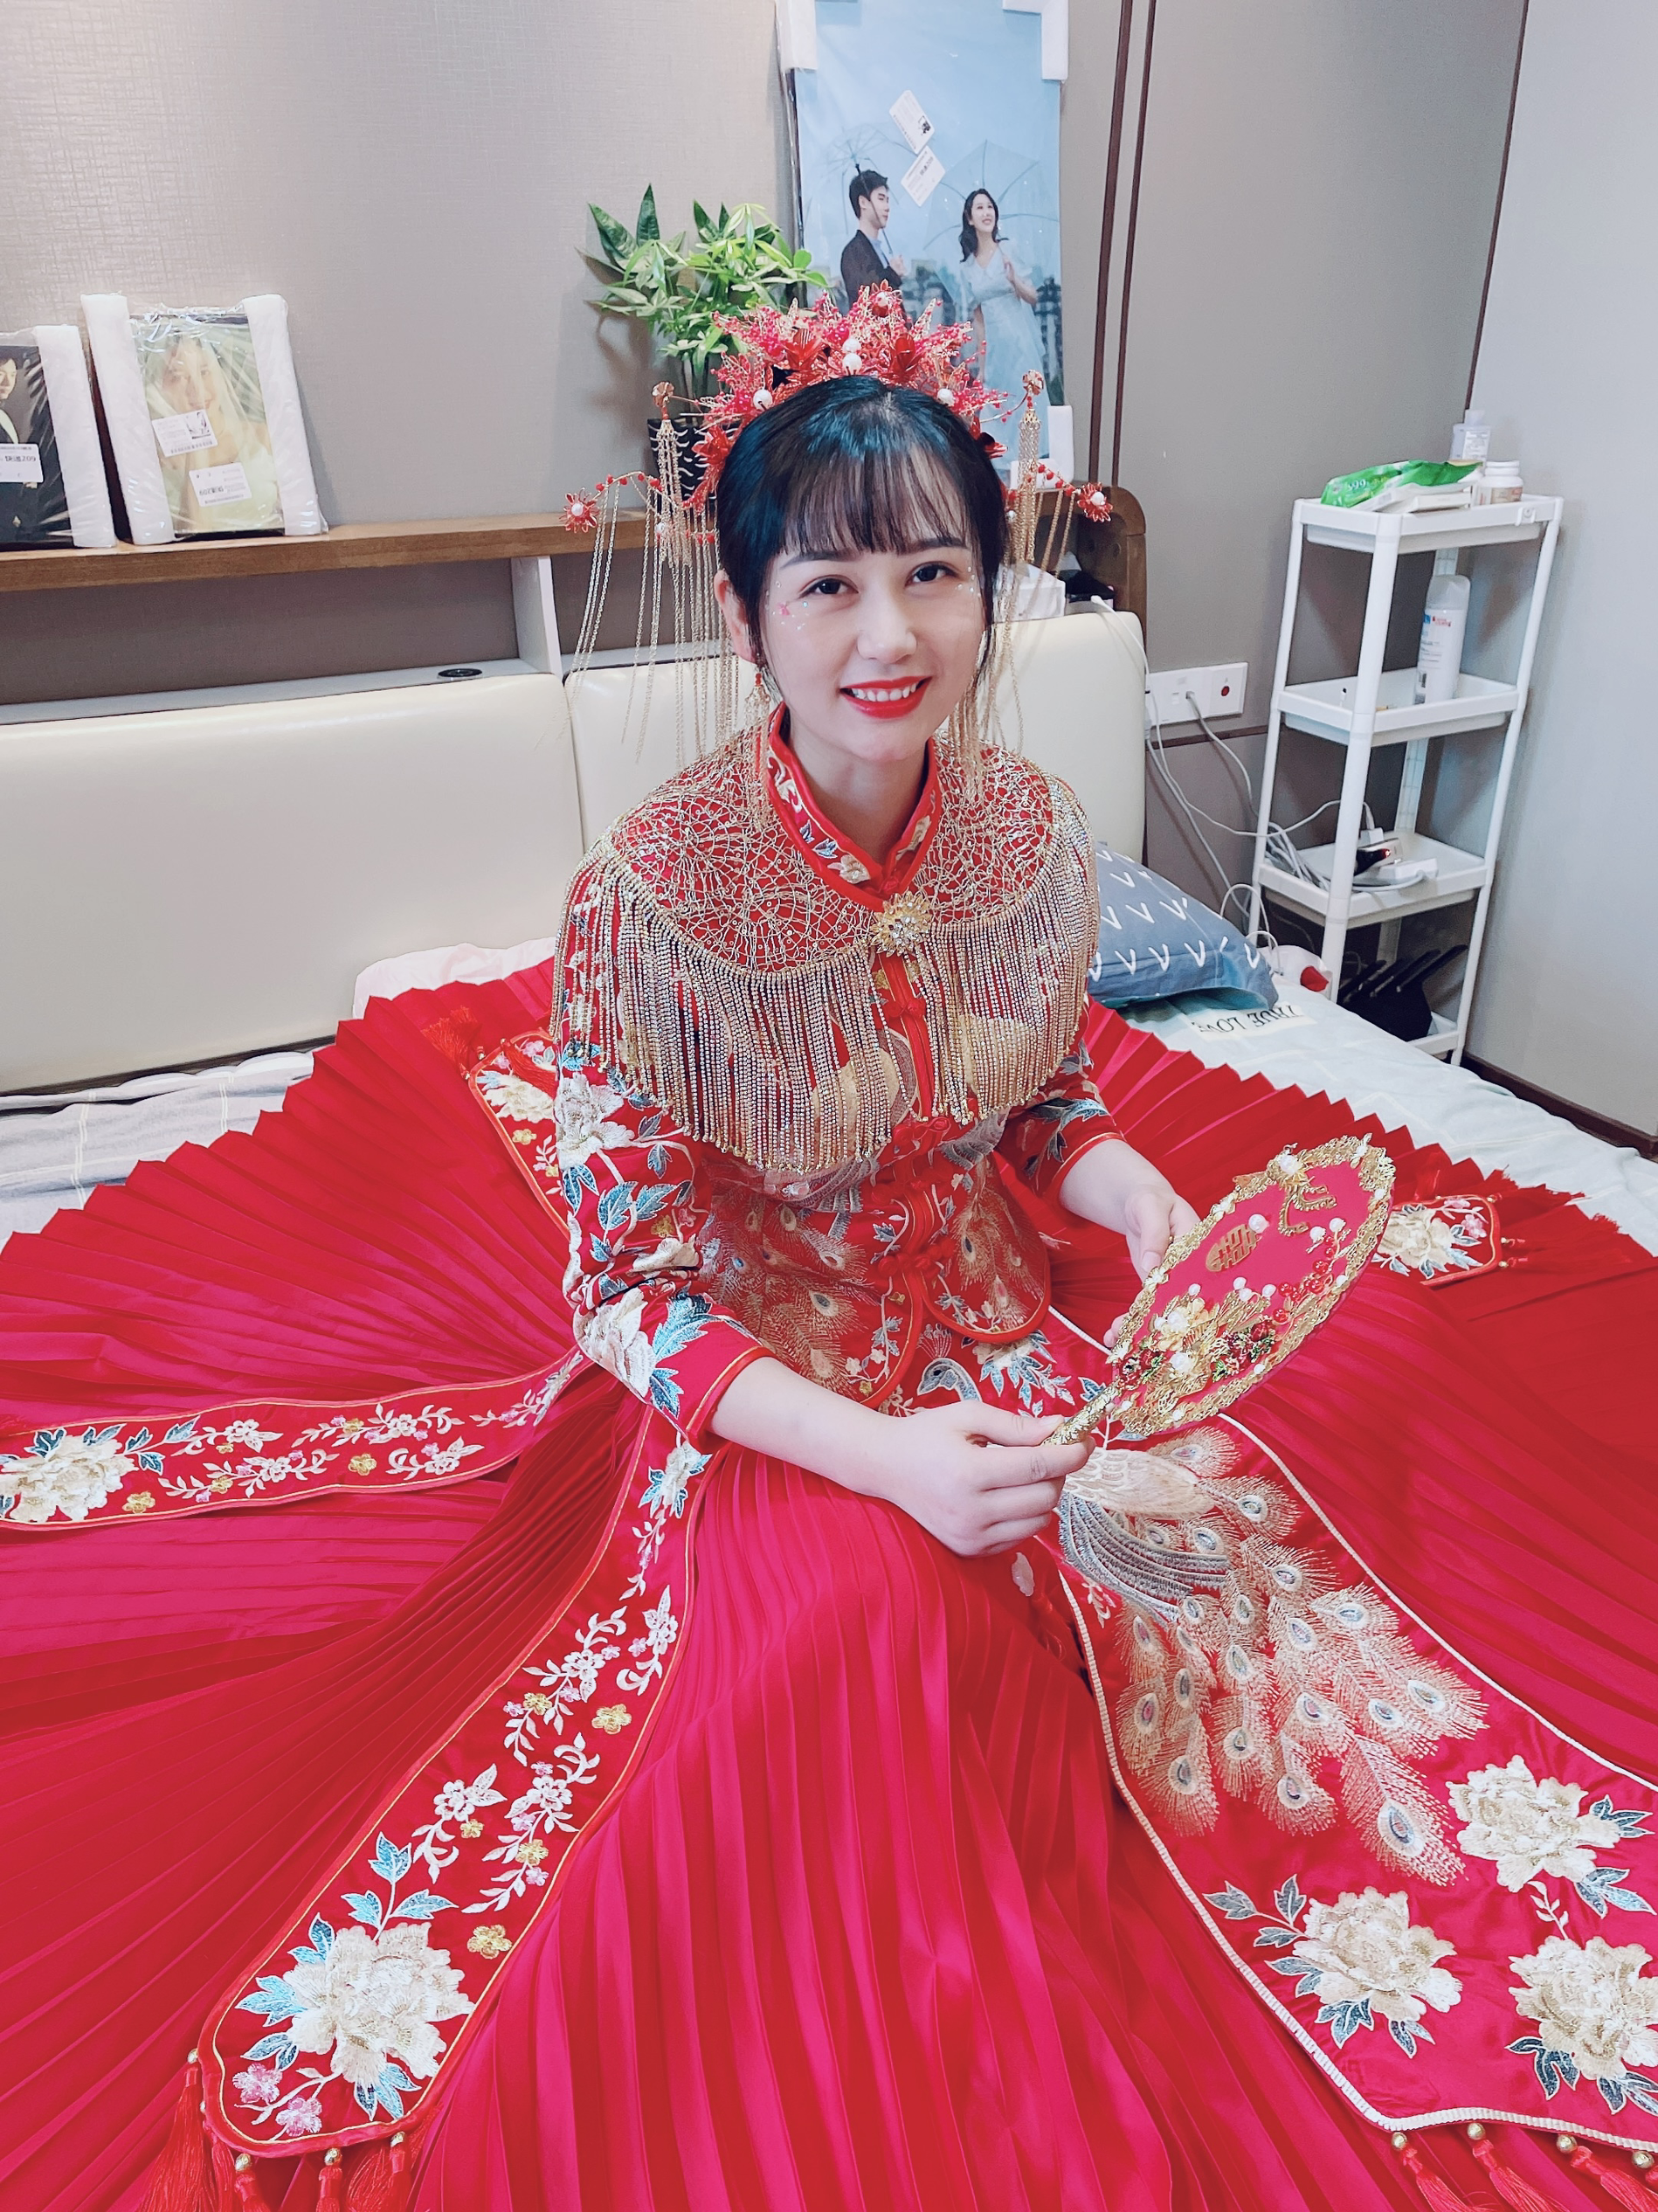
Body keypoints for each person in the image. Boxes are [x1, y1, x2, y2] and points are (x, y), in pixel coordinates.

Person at [1, 377, 1655, 2212]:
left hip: (1012, 1316)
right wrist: (891, 1460)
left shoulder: (1031, 833)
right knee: (880, 1623)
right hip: (772, 1393)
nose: (889, 636)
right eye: (830, 586)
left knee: (1361, 1360)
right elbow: (623, 1292)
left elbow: (1046, 1099)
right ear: (747, 615)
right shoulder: (644, 908)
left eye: (932, 573)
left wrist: (1135, 1196)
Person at [958, 187, 1049, 455]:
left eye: (990, 207)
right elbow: (979, 321)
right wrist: (982, 366)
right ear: (970, 218)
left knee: (1027, 407)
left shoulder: (1009, 249)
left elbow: (1033, 297)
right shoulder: (967, 268)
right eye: (980, 208)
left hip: (1019, 343)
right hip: (996, 352)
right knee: (998, 414)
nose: (987, 212)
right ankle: (1003, 474)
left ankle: (1031, 467)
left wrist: (1014, 279)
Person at [839, 167, 907, 307]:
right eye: (881, 199)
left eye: (887, 200)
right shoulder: (853, 252)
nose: (887, 207)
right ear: (863, 202)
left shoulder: (878, 251)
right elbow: (866, 300)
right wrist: (892, 274)